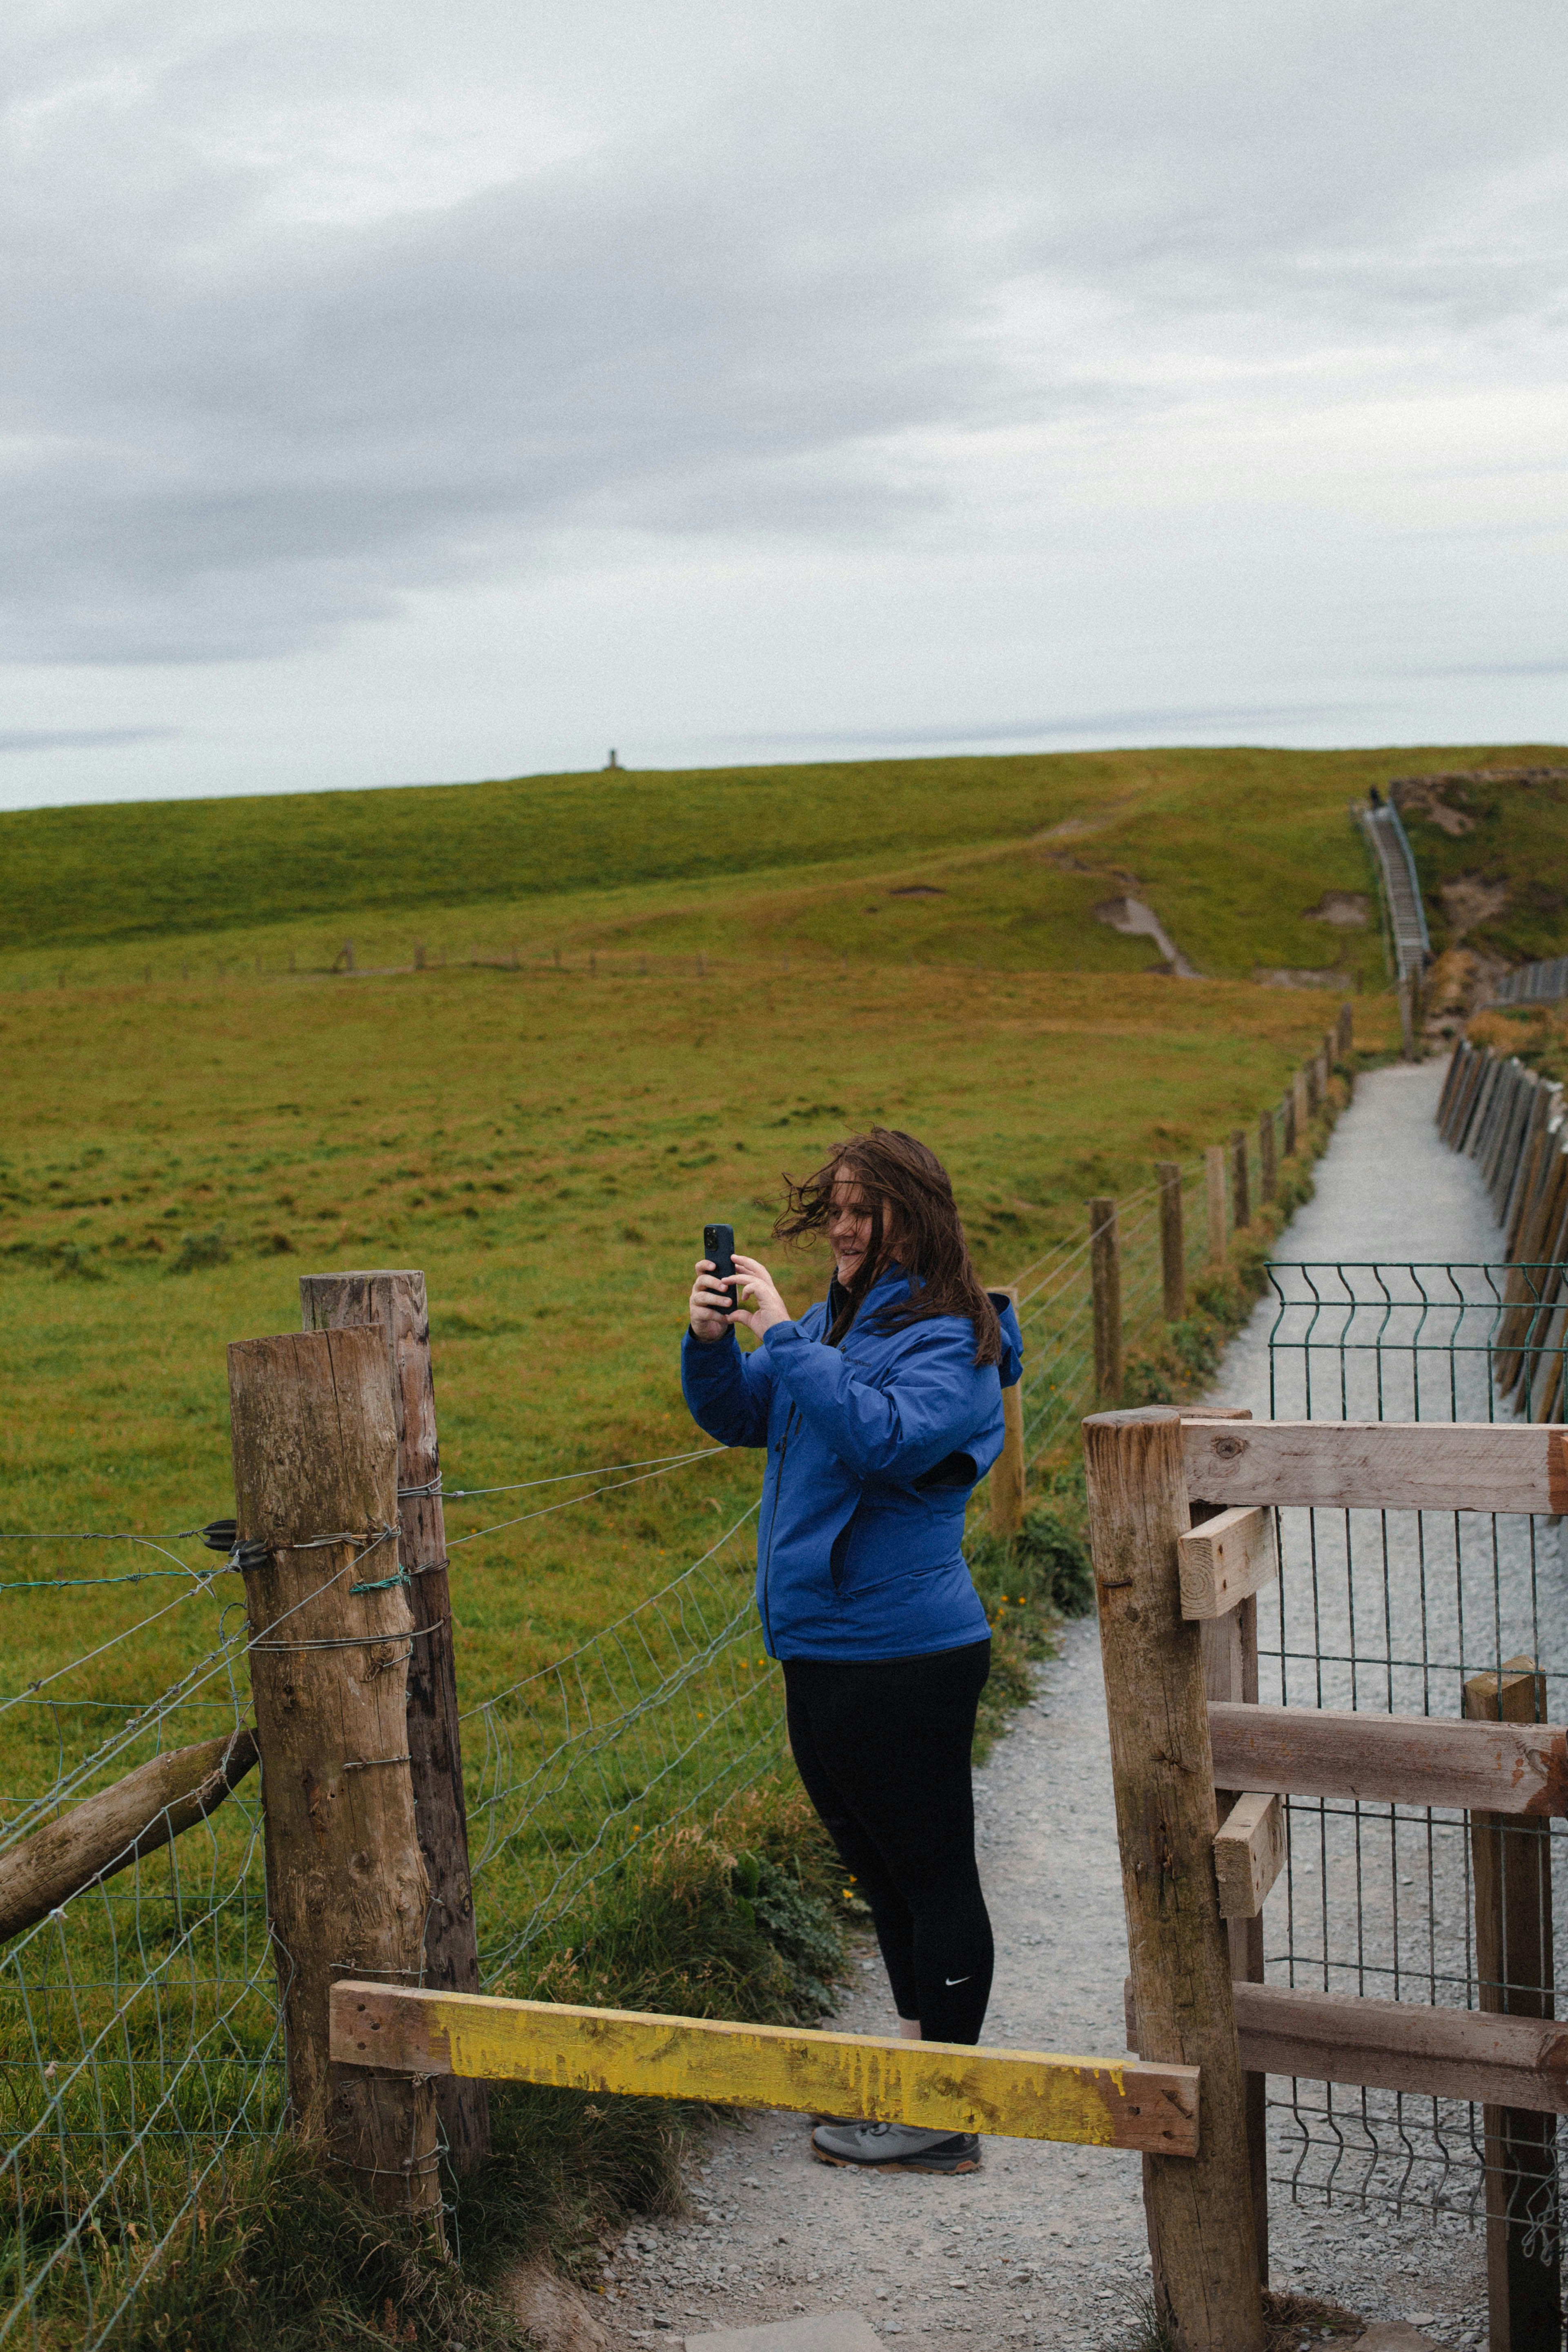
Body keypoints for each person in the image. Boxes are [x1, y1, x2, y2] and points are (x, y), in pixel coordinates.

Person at [682, 1127, 1022, 2175]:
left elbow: (879, 1436)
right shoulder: (841, 1320)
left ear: (913, 1220)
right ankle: (918, 2080)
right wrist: (712, 1343)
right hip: (822, 1644)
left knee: (933, 1875)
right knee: (880, 1873)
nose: (839, 1224)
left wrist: (787, 1337)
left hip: (905, 1652)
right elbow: (753, 1418)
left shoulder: (952, 1337)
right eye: (833, 1206)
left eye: (862, 1209)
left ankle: (945, 2115)